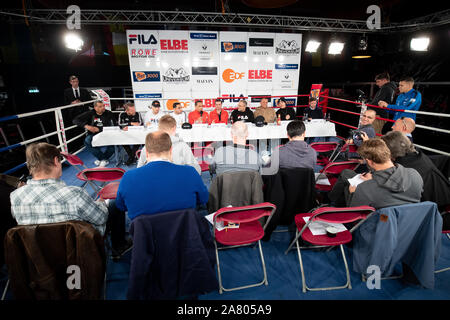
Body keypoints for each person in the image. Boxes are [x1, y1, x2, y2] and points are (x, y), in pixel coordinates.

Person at [9, 143, 130, 258]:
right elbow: (101, 218)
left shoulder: (15, 197)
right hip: (78, 247)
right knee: (113, 204)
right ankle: (118, 246)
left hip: (40, 255)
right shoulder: (74, 194)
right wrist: (101, 203)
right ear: (56, 161)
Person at [115, 131, 209, 220]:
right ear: (171, 150)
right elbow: (203, 198)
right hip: (185, 233)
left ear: (146, 152)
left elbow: (121, 206)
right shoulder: (190, 172)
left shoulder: (128, 177)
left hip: (145, 235)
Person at [380, 131, 450, 228]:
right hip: (440, 205)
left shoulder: (403, 171)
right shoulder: (418, 155)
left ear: (390, 153)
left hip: (427, 217)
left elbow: (389, 197)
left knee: (382, 216)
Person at [342, 139, 423, 210]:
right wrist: (374, 179)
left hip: (380, 223)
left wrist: (352, 193)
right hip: (410, 222)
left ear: (369, 161)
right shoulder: (415, 174)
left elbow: (353, 214)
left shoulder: (364, 189)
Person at [136, 115, 201, 174]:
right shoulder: (183, 146)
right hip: (177, 182)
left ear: (159, 127)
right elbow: (197, 170)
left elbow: (139, 168)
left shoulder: (148, 146)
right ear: (174, 128)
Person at [73, 101, 116, 167]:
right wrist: (86, 126)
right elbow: (75, 120)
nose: (103, 108)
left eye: (103, 106)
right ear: (95, 107)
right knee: (87, 141)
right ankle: (103, 159)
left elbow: (113, 125)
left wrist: (99, 129)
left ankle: (102, 159)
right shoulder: (90, 113)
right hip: (93, 134)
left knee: (113, 145)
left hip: (106, 133)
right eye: (100, 106)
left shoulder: (108, 113)